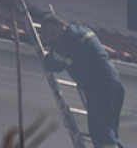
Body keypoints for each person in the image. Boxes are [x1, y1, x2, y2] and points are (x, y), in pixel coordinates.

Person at [39, 14, 125, 148]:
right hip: (114, 86)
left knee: (102, 134)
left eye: (53, 33)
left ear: (61, 26)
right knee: (109, 133)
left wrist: (49, 48)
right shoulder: (81, 30)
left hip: (99, 88)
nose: (53, 39)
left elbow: (52, 63)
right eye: (49, 37)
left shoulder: (67, 41)